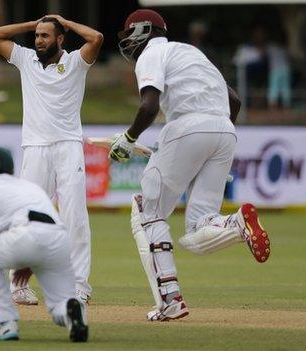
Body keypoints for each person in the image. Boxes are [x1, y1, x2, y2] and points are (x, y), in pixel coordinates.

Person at [113, 9, 271, 321]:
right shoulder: (191, 53)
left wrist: (129, 138)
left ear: (144, 30)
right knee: (198, 230)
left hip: (188, 126)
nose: (128, 41)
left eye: (129, 33)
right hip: (225, 131)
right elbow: (234, 101)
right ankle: (237, 224)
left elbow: (149, 104)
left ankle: (170, 301)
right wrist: (208, 142)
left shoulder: (151, 53)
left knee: (147, 212)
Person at [0, 15, 103, 305]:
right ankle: (18, 286)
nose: (39, 41)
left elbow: (97, 38)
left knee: (74, 217)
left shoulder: (76, 62)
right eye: (37, 36)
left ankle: (78, 287)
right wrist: (32, 25)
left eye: (46, 36)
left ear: (60, 39)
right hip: (35, 147)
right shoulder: (26, 59)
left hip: (68, 147)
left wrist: (64, 22)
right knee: (27, 216)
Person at [0, 145, 88, 342]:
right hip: (59, 240)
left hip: (27, 236)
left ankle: (6, 324)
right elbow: (44, 231)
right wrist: (30, 261)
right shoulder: (29, 187)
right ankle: (70, 311)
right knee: (59, 304)